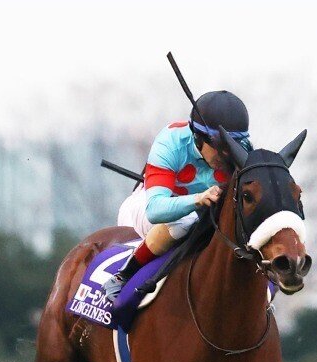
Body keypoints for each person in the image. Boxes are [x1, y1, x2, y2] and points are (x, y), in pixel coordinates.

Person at [102, 90, 252, 302]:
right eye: (221, 147)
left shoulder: (242, 151)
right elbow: (155, 210)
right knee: (187, 220)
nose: (227, 155)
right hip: (145, 210)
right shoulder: (171, 141)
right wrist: (197, 199)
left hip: (202, 219)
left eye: (233, 146)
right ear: (199, 138)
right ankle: (122, 276)